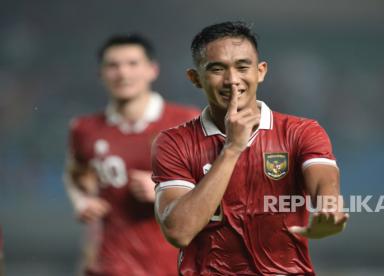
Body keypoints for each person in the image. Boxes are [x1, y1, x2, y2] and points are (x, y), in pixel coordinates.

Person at [151, 21, 349, 275]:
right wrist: (231, 149)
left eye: (242, 67)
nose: (232, 80)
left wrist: (329, 208)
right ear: (195, 78)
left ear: (261, 71)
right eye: (217, 69)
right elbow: (179, 231)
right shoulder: (174, 142)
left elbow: (324, 182)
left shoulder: (301, 132)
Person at [64, 33, 200, 276]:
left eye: (132, 64)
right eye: (113, 65)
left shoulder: (186, 122)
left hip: (174, 262)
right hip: (110, 262)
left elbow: (219, 184)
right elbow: (75, 172)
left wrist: (166, 190)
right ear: (101, 74)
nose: (123, 73)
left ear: (152, 70)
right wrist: (81, 200)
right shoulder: (84, 129)